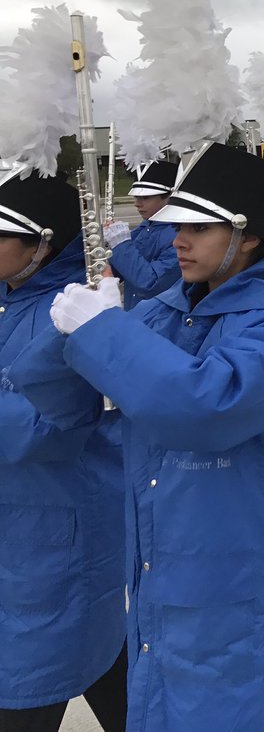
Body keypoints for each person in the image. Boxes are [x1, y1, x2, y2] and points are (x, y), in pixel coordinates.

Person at [14, 142, 264, 731]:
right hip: (161, 564)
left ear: (248, 236)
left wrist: (104, 335)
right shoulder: (164, 309)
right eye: (176, 224)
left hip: (238, 578)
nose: (177, 240)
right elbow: (53, 396)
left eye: (197, 228)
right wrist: (72, 328)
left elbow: (198, 409)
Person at [0, 169, 126, 732]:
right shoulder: (8, 298)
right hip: (18, 522)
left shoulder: (71, 308)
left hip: (56, 524)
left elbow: (50, 424)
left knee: (34, 676)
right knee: (99, 657)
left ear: (41, 244)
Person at [103, 159, 182, 309]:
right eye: (136, 197)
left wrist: (120, 245)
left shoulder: (179, 235)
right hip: (135, 313)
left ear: (170, 197)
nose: (137, 203)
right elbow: (121, 272)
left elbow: (150, 283)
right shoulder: (146, 226)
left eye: (145, 198)